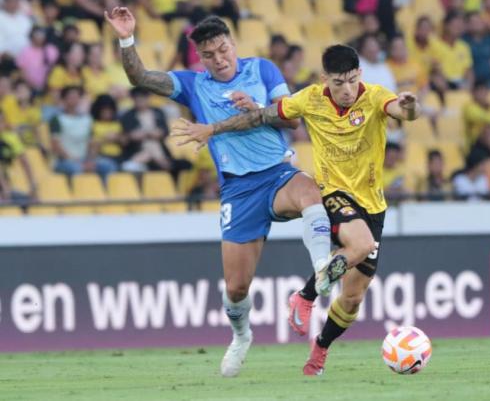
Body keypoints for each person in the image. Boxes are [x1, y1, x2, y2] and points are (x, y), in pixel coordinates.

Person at [105, 8, 344, 377]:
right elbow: (140, 77)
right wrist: (126, 39)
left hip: (277, 173)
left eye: (222, 50)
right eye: (209, 55)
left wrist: (259, 108)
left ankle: (321, 269)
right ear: (200, 58)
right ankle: (241, 335)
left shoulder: (263, 70)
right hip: (238, 190)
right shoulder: (193, 85)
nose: (218, 59)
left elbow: (293, 119)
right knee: (236, 289)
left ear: (233, 44)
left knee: (309, 191)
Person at [171, 44, 421, 376]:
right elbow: (265, 116)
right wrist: (217, 126)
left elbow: (402, 111)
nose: (347, 90)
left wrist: (410, 106)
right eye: (338, 83)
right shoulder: (309, 99)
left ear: (359, 74)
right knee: (360, 245)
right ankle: (304, 296)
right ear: (325, 79)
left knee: (352, 298)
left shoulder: (374, 96)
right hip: (333, 193)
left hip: (372, 203)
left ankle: (320, 349)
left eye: (351, 81)